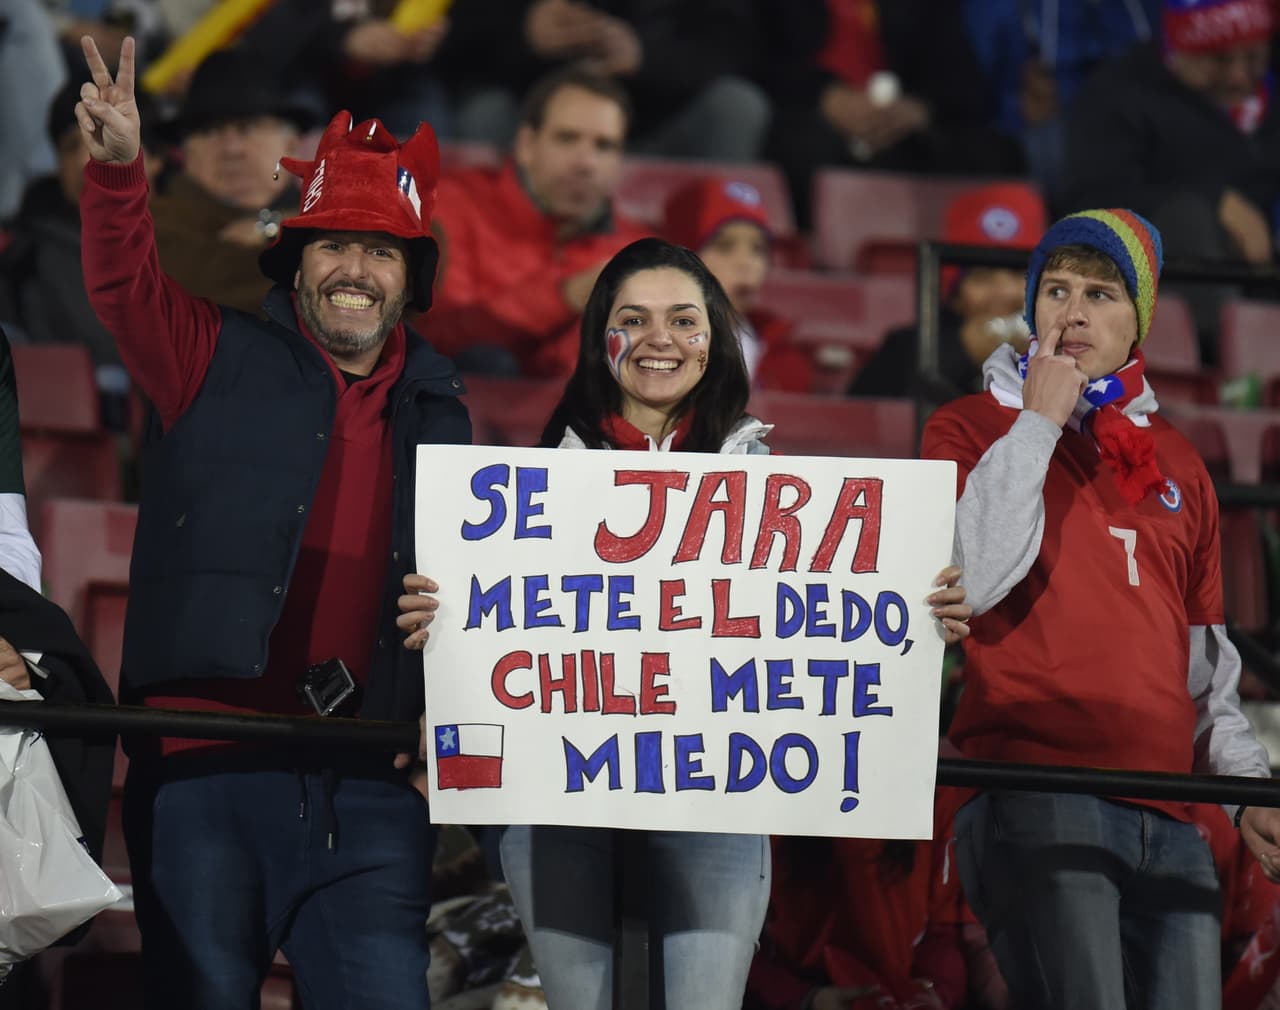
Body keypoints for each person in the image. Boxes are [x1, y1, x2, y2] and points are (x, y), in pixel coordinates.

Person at [74, 35, 470, 1009]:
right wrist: (121, 171)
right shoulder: (204, 350)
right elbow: (123, 285)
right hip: (208, 766)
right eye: (333, 243)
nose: (354, 269)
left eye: (380, 250)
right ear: (294, 259)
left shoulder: (447, 410)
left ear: (407, 279)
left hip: (372, 781)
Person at [499, 236, 973, 1010]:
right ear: (600, 340)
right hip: (561, 807)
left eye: (685, 320)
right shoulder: (523, 492)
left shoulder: (772, 487)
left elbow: (844, 617)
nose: (661, 339)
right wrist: (443, 617)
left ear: (715, 340)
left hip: (715, 811)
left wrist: (920, 613)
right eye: (635, 319)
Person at [921, 208, 1280, 1010]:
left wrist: (1250, 792)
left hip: (1174, 816)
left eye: (1100, 293)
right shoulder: (969, 426)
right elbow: (971, 579)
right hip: (1035, 792)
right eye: (1054, 290)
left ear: (1140, 320)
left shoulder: (1178, 461)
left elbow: (1207, 672)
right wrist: (1040, 419)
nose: (1073, 312)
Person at [423, 66, 650, 379]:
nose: (586, 162)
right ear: (527, 144)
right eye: (567, 138)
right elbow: (434, 335)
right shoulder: (451, 207)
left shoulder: (638, 248)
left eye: (604, 146)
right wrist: (567, 296)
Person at [149, 46, 316, 316]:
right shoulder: (153, 225)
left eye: (247, 127)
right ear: (186, 153)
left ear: (292, 144)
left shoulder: (331, 211)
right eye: (210, 131)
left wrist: (272, 225)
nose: (231, 149)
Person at [849, 182, 1046, 400]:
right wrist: (961, 355)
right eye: (982, 277)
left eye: (1019, 274)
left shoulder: (1071, 347)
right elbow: (863, 422)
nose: (1005, 293)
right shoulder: (909, 348)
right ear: (955, 295)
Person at [662, 175, 813, 391]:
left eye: (758, 249)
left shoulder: (784, 359)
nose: (747, 263)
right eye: (724, 247)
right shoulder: (651, 350)